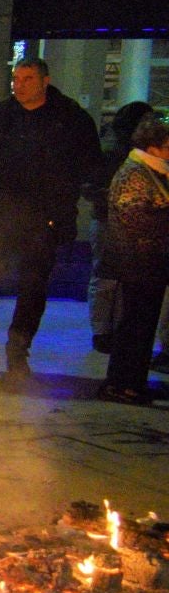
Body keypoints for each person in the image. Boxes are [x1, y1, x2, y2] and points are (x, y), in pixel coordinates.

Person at [0, 57, 102, 386]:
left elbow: (87, 163)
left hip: (43, 218)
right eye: (16, 78)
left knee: (32, 289)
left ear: (45, 81)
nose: (19, 84)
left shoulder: (69, 119)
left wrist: (56, 202)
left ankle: (17, 357)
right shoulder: (2, 115)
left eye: (26, 78)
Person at [99, 114, 169, 404]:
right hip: (139, 263)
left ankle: (131, 381)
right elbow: (136, 219)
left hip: (147, 262)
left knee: (141, 325)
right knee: (135, 326)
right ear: (153, 147)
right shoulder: (136, 174)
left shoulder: (150, 171)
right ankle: (123, 384)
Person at [89, 100, 156, 352]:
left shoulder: (112, 149)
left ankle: (106, 330)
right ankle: (105, 331)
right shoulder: (118, 154)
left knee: (108, 278)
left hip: (109, 219)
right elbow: (92, 185)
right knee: (107, 277)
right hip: (109, 220)